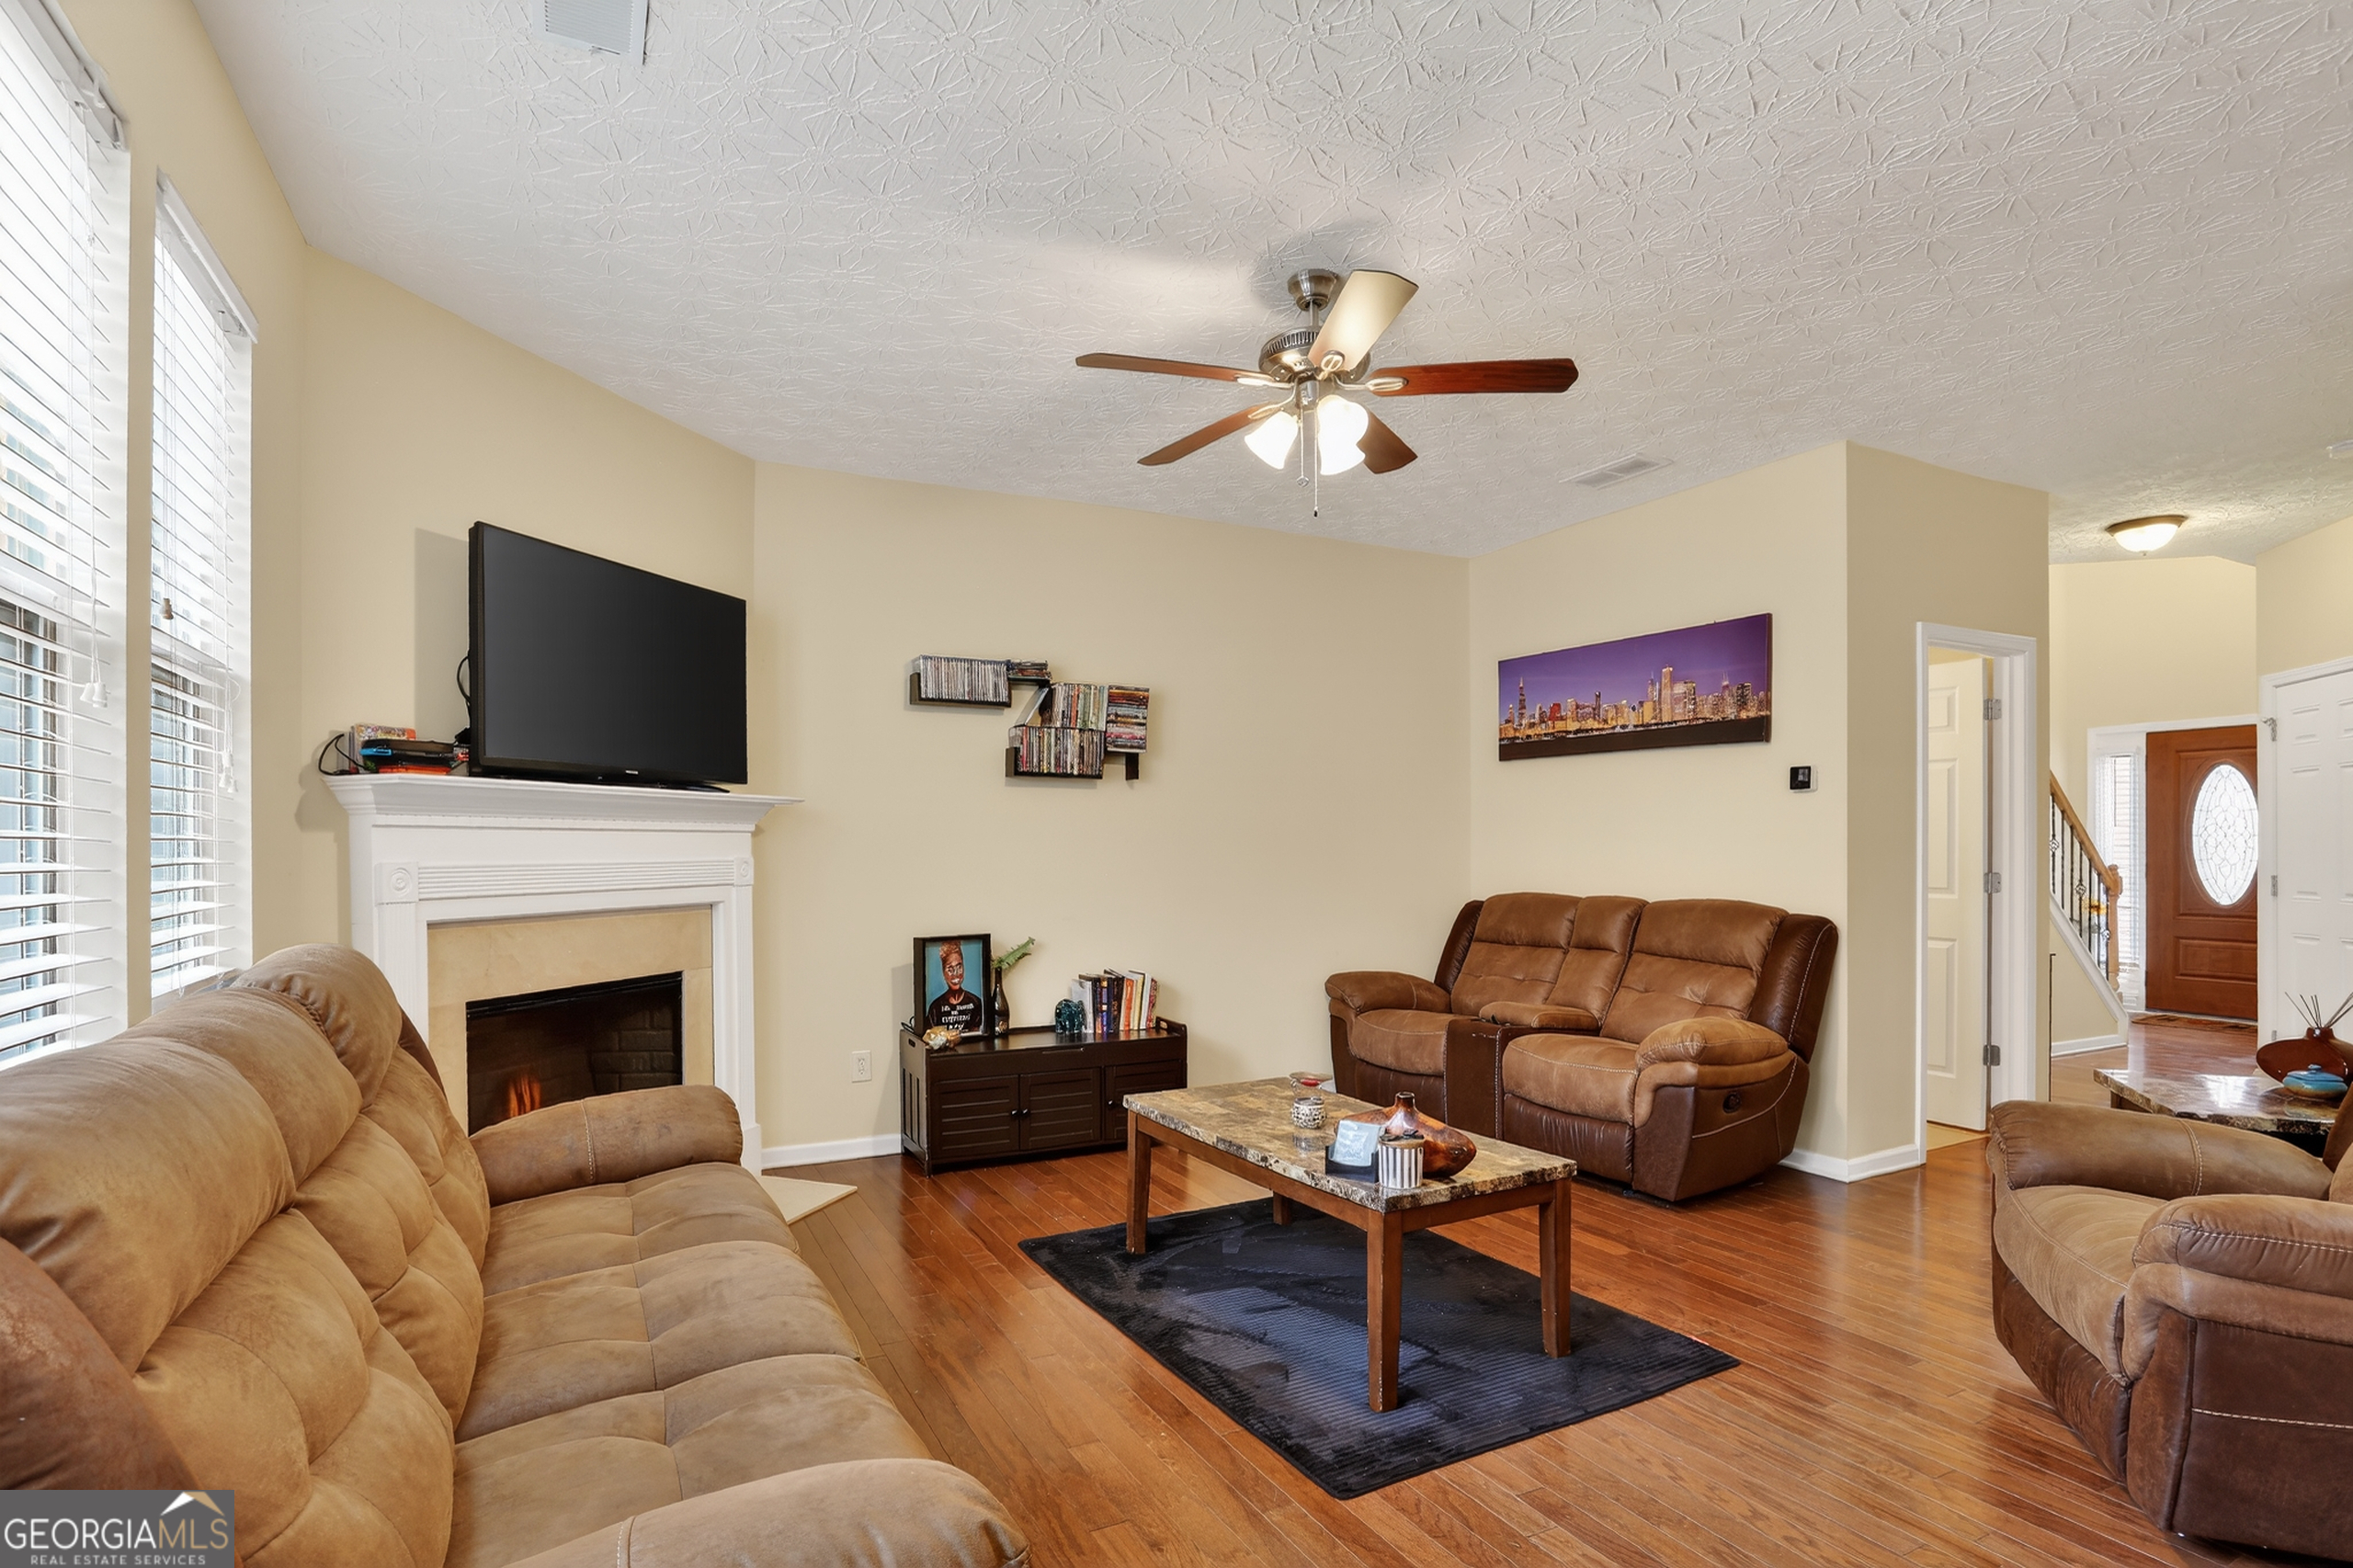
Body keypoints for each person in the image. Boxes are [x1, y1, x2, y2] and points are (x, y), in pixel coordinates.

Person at [926, 941, 985, 1035]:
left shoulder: (976, 1003)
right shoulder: (935, 1008)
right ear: (943, 972)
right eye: (950, 969)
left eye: (959, 967)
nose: (956, 974)